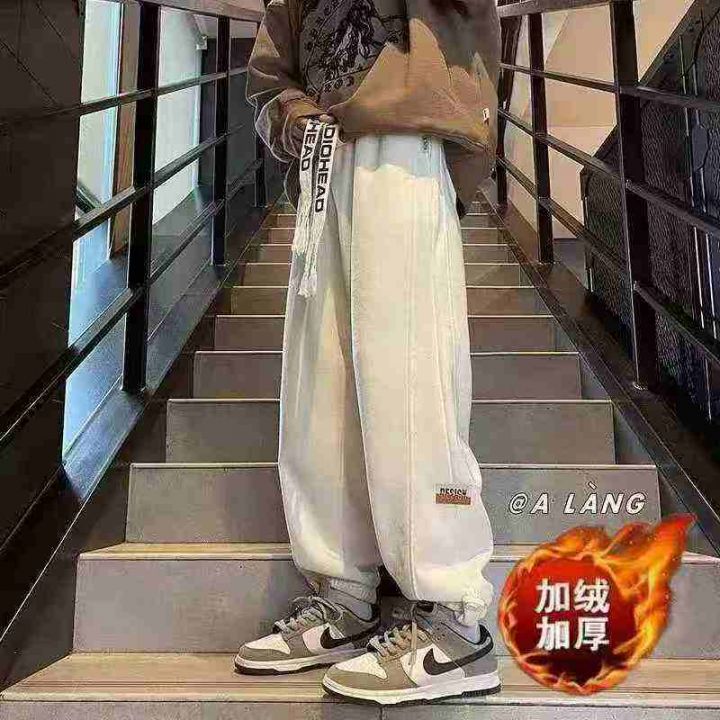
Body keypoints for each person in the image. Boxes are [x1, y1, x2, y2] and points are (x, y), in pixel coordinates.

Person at [234, 0, 501, 705]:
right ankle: (344, 593)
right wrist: (292, 115)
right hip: (322, 158)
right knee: (319, 387)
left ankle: (455, 618)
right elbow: (271, 67)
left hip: (405, 141)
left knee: (409, 377)